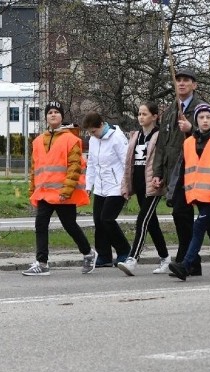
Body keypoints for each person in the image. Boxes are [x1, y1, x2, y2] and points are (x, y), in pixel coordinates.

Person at [23, 101, 97, 276]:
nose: (53, 115)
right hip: (44, 193)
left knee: (69, 225)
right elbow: (35, 168)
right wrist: (32, 190)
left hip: (63, 193)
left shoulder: (71, 140)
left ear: (62, 116)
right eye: (50, 112)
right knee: (40, 224)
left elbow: (74, 167)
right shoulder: (38, 141)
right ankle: (42, 263)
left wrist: (67, 190)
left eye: (56, 112)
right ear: (46, 117)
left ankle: (88, 253)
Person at [167, 104, 210, 281]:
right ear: (196, 120)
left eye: (208, 117)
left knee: (198, 228)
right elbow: (180, 170)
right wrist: (171, 194)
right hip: (196, 195)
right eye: (201, 117)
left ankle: (186, 264)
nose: (205, 120)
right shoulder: (188, 142)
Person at [152, 67, 204, 275]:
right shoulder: (172, 110)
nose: (181, 83)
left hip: (194, 170)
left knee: (183, 213)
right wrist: (158, 172)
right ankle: (193, 261)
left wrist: (192, 129)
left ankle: (186, 259)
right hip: (174, 171)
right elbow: (162, 145)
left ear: (194, 85)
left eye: (186, 80)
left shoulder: (201, 108)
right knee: (180, 215)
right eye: (178, 80)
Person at [117, 102, 172, 275]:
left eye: (145, 114)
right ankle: (165, 258)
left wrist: (161, 177)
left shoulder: (159, 135)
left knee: (142, 220)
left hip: (153, 185)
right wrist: (126, 184)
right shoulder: (136, 136)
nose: (141, 117)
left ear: (155, 116)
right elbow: (129, 163)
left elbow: (163, 159)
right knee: (152, 223)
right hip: (139, 184)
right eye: (139, 114)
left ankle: (133, 258)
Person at [83, 111, 130, 267]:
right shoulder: (93, 140)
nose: (93, 135)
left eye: (94, 131)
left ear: (101, 125)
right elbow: (91, 164)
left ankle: (124, 250)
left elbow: (126, 163)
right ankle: (104, 255)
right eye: (90, 132)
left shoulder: (117, 138)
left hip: (117, 186)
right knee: (98, 221)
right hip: (101, 187)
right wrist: (89, 185)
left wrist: (126, 185)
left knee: (107, 219)